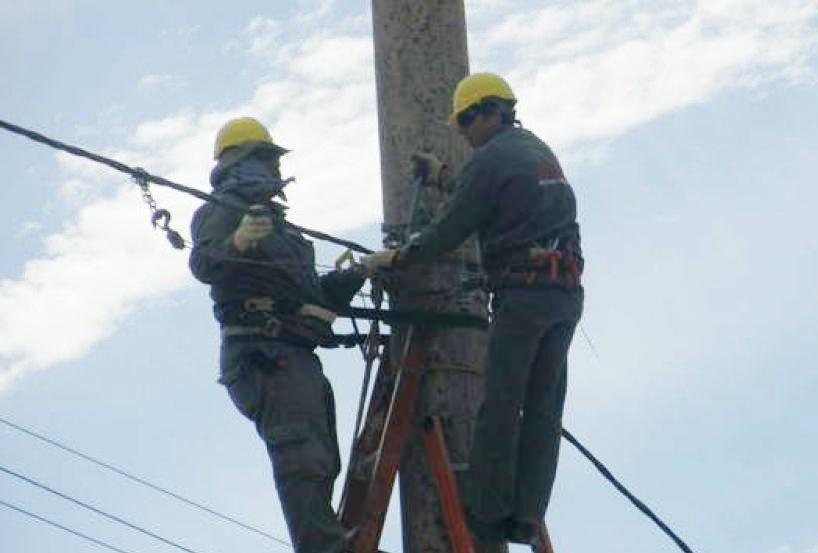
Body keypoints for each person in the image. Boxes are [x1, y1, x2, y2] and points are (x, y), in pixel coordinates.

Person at [360, 72, 584, 546]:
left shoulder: (489, 160)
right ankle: (526, 516)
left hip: (522, 299)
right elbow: (496, 197)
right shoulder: (536, 150)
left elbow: (450, 229)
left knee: (500, 407)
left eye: (465, 120)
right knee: (543, 410)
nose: (462, 131)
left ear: (489, 112)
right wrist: (445, 177)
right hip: (564, 296)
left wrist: (398, 257)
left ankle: (486, 512)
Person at [189, 117, 364, 553]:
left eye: (272, 161)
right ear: (237, 162)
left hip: (292, 353)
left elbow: (310, 295)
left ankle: (329, 540)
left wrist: (359, 274)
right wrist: (239, 243)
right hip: (261, 353)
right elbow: (205, 264)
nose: (271, 169)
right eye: (264, 159)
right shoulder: (221, 211)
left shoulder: (283, 230)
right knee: (302, 457)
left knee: (322, 458)